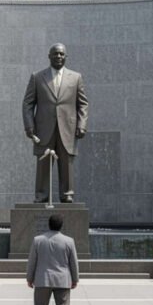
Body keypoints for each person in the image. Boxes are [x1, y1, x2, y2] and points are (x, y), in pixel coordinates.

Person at [22, 43, 89, 204]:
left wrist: (82, 124)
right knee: (43, 163)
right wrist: (29, 125)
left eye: (61, 54)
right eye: (55, 54)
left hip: (68, 127)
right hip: (43, 128)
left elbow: (83, 103)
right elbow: (27, 103)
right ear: (49, 56)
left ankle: (67, 194)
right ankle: (41, 196)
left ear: (66, 57)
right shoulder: (37, 77)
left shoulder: (76, 77)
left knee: (67, 162)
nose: (58, 56)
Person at [26, 214, 79, 305]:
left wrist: (29, 278)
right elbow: (74, 262)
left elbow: (32, 261)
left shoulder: (38, 240)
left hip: (42, 280)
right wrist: (75, 279)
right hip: (62, 280)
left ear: (48, 225)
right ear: (61, 226)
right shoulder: (69, 241)